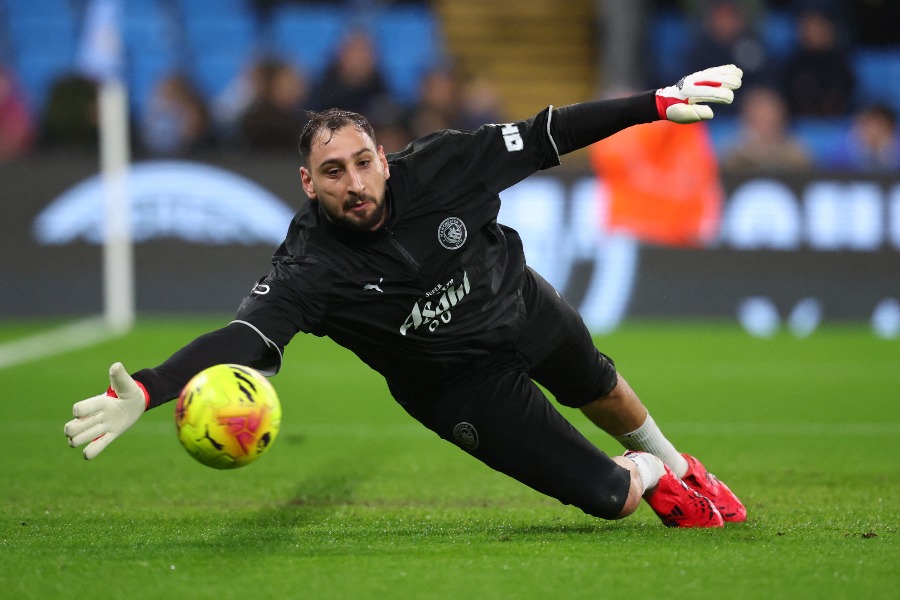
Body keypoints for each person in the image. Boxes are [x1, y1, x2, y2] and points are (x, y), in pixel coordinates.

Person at [64, 64, 748, 528]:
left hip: (516, 301)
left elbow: (551, 131)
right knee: (613, 498)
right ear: (308, 183)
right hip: (457, 385)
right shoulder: (309, 265)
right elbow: (245, 340)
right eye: (333, 172)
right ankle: (654, 472)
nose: (354, 182)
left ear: (383, 159)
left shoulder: (445, 164)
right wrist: (152, 388)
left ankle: (688, 468)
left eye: (363, 163)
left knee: (601, 386)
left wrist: (654, 104)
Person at [721, 85, 813, 171]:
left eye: (769, 116)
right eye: (759, 117)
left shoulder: (795, 152)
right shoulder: (733, 153)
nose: (765, 123)